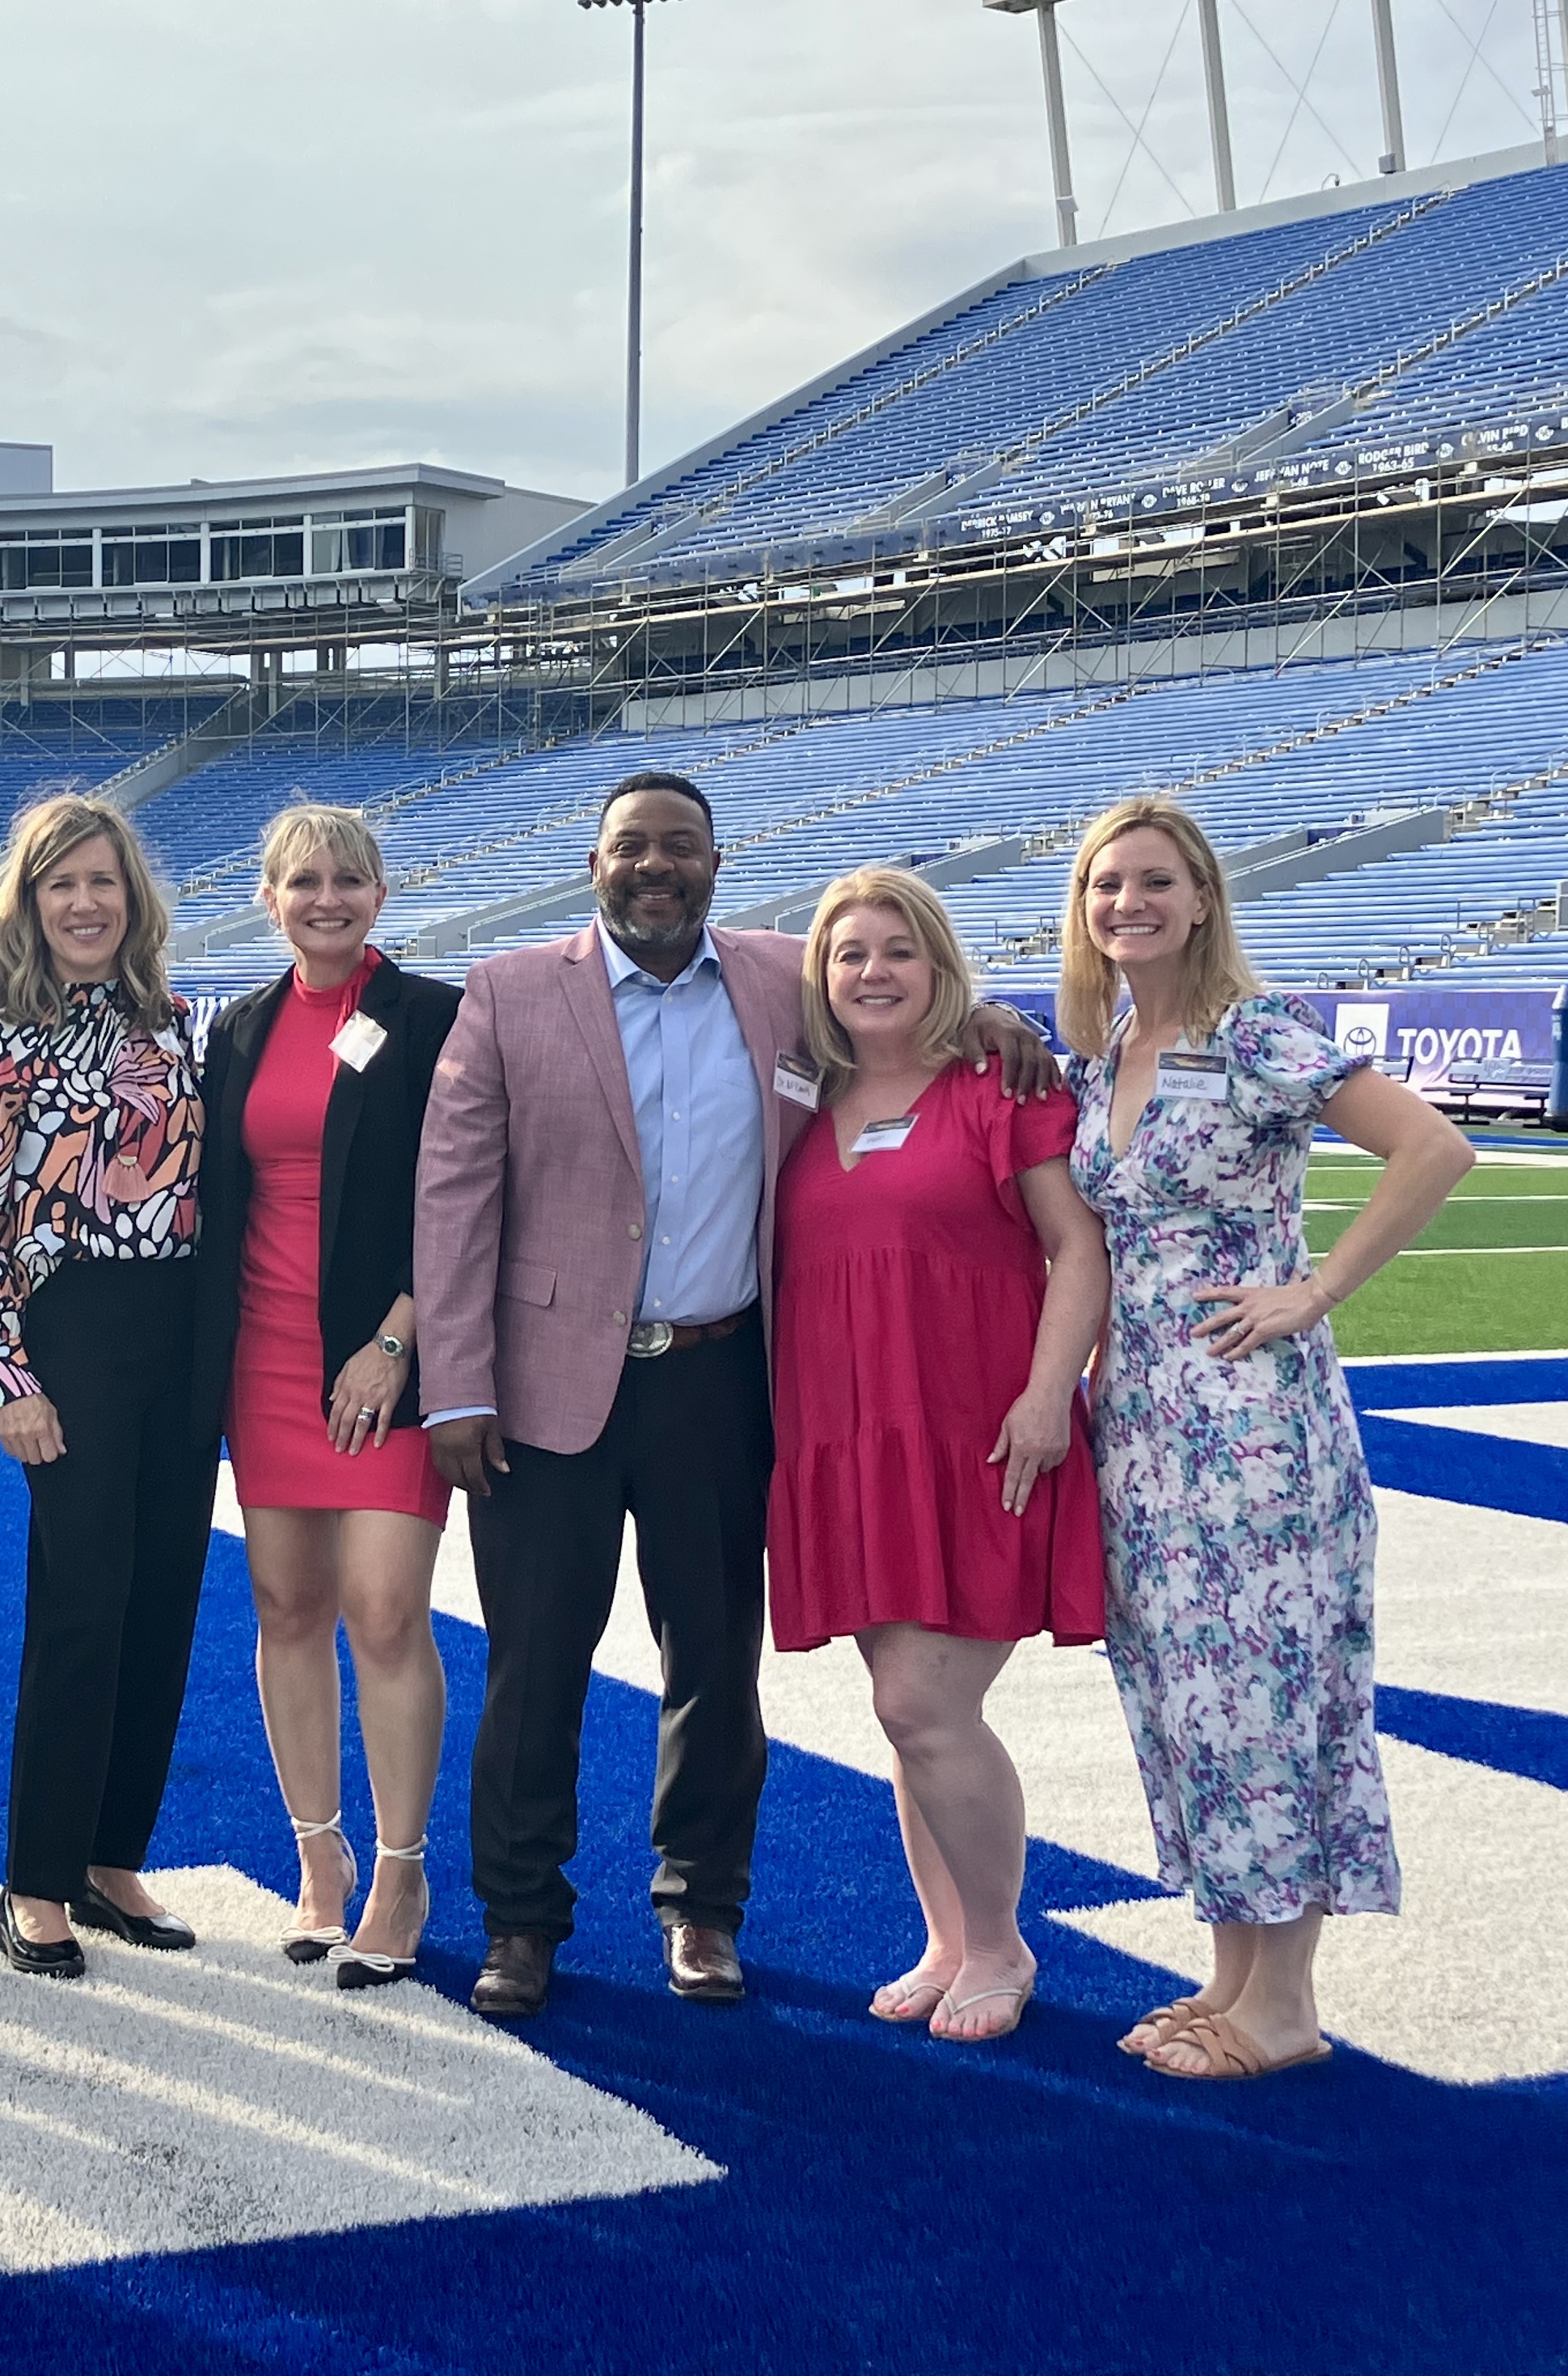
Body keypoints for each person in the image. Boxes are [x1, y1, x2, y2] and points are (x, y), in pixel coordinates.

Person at [416, 771, 1057, 2022]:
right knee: (533, 1667)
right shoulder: (506, 993)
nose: (654, 866)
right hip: (545, 1388)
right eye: (631, 847)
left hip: (721, 1378)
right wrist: (456, 1389)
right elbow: (453, 1201)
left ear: (718, 862)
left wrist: (992, 1024)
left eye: (680, 848)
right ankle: (521, 1922)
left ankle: (702, 1908)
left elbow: (901, 1014)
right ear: (593, 861)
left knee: (713, 1662)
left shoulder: (782, 980)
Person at [1059, 795, 1471, 2081]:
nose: (1126, 902)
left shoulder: (1255, 1035)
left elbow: (1432, 1147)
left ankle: (1284, 2005)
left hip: (1251, 1429)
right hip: (1139, 1425)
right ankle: (1232, 1973)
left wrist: (1317, 1288)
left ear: (1200, 899)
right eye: (1104, 884)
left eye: (1153, 881)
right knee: (1186, 1695)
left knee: (1266, 1695)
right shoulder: (1112, 1046)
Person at [766, 866, 1109, 2046]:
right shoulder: (798, 1095)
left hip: (977, 1433)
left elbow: (1077, 1246)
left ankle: (1004, 1941)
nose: (872, 973)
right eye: (849, 953)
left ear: (939, 964)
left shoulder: (995, 1082)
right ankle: (948, 1938)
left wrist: (1046, 1396)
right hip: (845, 1436)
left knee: (924, 1702)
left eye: (897, 951)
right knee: (900, 1711)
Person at [0, 795, 217, 1980]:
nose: (86, 903)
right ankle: (37, 1876)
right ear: (30, 902)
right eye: (62, 884)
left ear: (133, 897)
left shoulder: (191, 1028)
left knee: (165, 1601)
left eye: (104, 882)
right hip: (74, 1332)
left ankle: (112, 1858)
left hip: (187, 1328)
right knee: (80, 1603)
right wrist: (13, 1377)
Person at [190, 805, 462, 1988]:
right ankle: (320, 1860)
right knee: (285, 1607)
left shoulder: (435, 1019)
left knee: (387, 1610)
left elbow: (467, 1202)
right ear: (269, 898)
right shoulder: (239, 1028)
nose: (327, 898)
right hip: (264, 1358)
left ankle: (403, 1867)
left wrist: (395, 1341)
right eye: (304, 880)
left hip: (389, 1361)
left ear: (382, 896)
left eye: (350, 879)